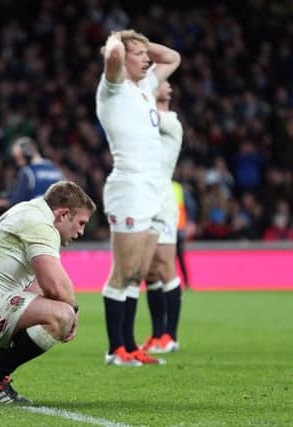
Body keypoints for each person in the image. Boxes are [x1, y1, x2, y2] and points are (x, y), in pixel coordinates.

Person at [0, 181, 95, 404]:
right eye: (81, 223)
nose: (81, 231)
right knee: (61, 315)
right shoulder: (40, 225)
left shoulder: (29, 211)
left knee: (47, 295)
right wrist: (74, 309)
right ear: (63, 215)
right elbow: (55, 285)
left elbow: (44, 285)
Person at [96, 30, 180, 366]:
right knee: (123, 271)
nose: (148, 59)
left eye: (147, 54)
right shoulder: (112, 88)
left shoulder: (145, 87)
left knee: (137, 273)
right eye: (140, 54)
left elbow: (172, 57)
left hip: (151, 191)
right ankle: (114, 348)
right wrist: (118, 39)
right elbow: (114, 58)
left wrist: (141, 46)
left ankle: (129, 346)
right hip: (128, 187)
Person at [141, 81, 183, 354]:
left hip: (163, 202)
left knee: (167, 268)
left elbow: (143, 122)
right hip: (143, 199)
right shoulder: (146, 114)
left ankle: (171, 336)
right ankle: (157, 335)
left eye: (164, 81)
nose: (160, 83)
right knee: (150, 270)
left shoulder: (171, 122)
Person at [0, 137, 63, 208]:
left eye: (18, 158)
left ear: (27, 155)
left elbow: (17, 201)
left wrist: (3, 203)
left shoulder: (28, 172)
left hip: (36, 214)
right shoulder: (54, 167)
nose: (18, 163)